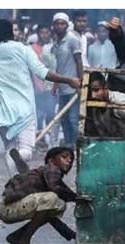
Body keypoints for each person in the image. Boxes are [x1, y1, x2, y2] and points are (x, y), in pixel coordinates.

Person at [0, 13, 80, 176]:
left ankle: (14, 182)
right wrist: (68, 80)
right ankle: (21, 158)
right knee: (26, 151)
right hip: (23, 109)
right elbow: (43, 73)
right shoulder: (23, 50)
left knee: (9, 148)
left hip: (1, 110)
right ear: (13, 33)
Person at [0, 147, 78, 244]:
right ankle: (23, 243)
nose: (69, 161)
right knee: (52, 198)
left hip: (9, 207)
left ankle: (17, 237)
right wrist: (78, 199)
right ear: (51, 160)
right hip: (8, 207)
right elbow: (57, 189)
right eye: (64, 157)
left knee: (58, 205)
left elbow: (50, 216)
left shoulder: (47, 173)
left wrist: (70, 233)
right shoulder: (52, 169)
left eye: (71, 159)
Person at [51, 12, 83, 148]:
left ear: (66, 25)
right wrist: (55, 83)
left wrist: (80, 83)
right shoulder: (57, 42)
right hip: (63, 88)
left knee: (73, 119)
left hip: (73, 86)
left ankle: (78, 147)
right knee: (64, 120)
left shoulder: (72, 40)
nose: (59, 26)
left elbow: (79, 62)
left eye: (62, 23)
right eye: (57, 23)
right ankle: (69, 145)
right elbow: (59, 64)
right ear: (54, 26)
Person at [32, 24, 58, 149]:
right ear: (38, 34)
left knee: (50, 113)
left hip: (51, 86)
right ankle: (40, 138)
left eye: (46, 32)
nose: (44, 35)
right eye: (41, 32)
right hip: (37, 86)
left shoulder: (53, 48)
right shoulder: (33, 48)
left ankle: (50, 139)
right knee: (39, 114)